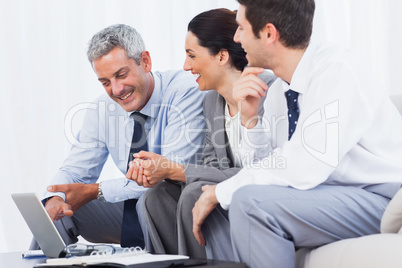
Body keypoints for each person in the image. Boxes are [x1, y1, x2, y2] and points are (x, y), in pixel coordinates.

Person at [192, 0, 402, 267]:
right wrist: (251, 120)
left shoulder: (336, 71)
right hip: (330, 195)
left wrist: (220, 191)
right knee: (230, 203)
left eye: (241, 28)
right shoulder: (281, 92)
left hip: (385, 200)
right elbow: (270, 167)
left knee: (247, 202)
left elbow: (304, 166)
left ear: (269, 34)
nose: (236, 38)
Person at [32, 24, 206, 249]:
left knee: (152, 197)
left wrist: (97, 191)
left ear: (145, 61)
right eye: (105, 82)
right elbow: (75, 170)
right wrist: (55, 197)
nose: (116, 90)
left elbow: (168, 173)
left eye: (121, 75)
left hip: (176, 209)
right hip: (131, 212)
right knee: (59, 211)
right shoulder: (103, 109)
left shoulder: (184, 91)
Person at [126, 9, 276, 258]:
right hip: (229, 196)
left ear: (221, 56)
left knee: (195, 193)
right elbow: (210, 166)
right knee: (156, 197)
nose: (186, 66)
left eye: (191, 55)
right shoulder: (212, 102)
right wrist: (163, 171)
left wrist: (177, 170)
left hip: (259, 198)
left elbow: (268, 169)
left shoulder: (269, 91)